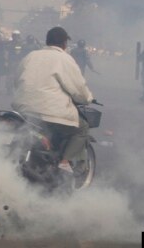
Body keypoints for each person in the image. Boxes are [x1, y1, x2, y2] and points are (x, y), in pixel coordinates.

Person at [12, 26, 94, 174]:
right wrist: (88, 98)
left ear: (47, 41)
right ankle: (64, 162)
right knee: (82, 128)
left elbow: (16, 80)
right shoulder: (65, 59)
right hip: (50, 114)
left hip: (23, 110)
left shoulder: (31, 56)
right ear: (64, 43)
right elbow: (78, 89)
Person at [5, 30, 24, 95]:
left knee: (16, 76)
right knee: (11, 75)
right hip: (13, 61)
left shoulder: (21, 43)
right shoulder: (11, 43)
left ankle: (12, 89)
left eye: (17, 36)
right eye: (15, 36)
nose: (16, 37)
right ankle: (9, 89)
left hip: (17, 61)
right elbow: (7, 53)